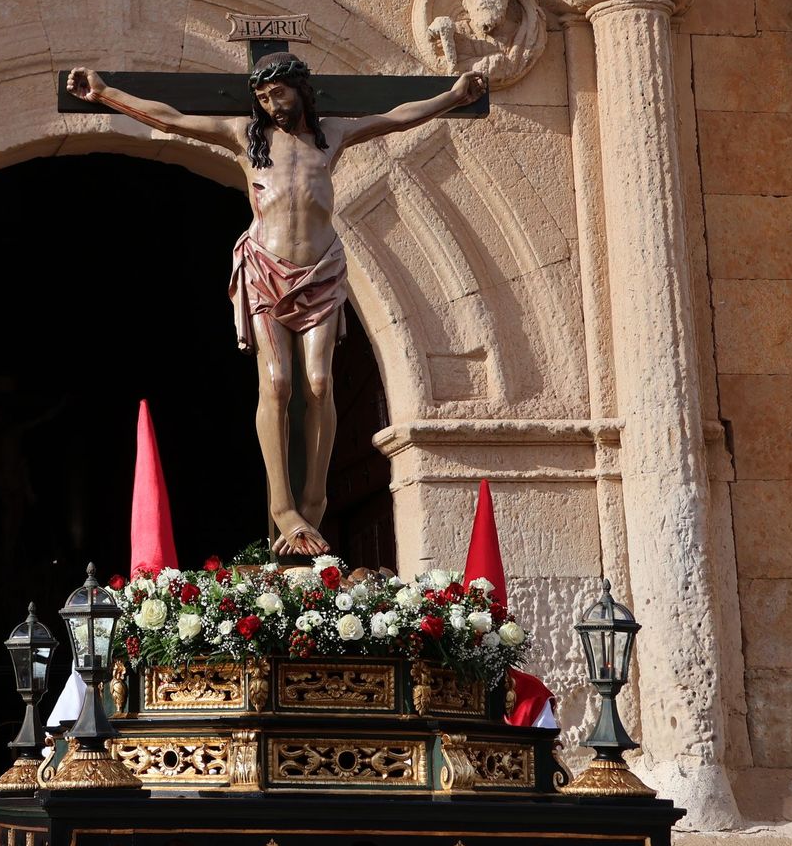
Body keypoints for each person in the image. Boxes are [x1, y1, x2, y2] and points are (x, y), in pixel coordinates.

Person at [67, 56, 485, 557]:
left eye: (280, 94)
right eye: (264, 98)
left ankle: (314, 498)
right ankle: (283, 509)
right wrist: (105, 94)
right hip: (266, 270)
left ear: (302, 91)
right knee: (280, 383)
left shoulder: (331, 135)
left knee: (320, 381)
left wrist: (454, 96)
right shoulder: (245, 137)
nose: (272, 105)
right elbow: (171, 118)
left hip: (320, 272)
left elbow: (396, 117)